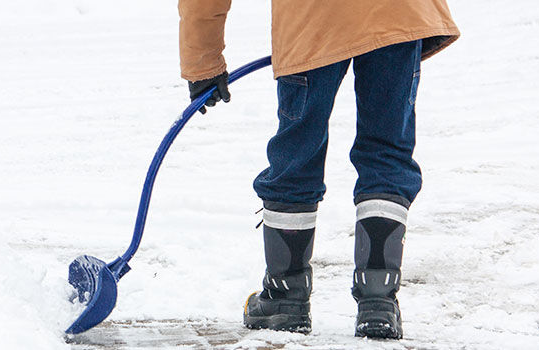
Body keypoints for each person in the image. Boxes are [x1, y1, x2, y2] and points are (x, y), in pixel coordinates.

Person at [178, 0, 459, 339]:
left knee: (298, 152)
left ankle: (285, 297)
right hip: (396, 11)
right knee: (386, 150)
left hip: (311, 18)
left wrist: (202, 63)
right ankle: (378, 302)